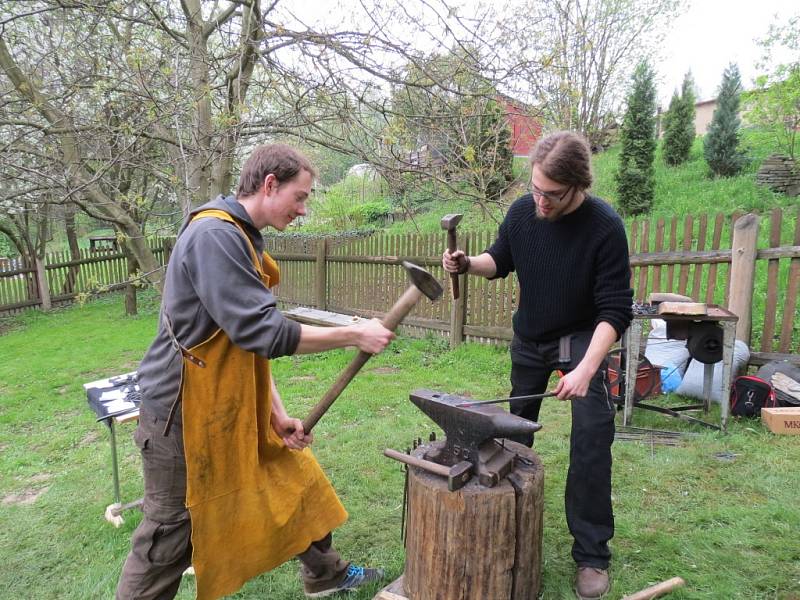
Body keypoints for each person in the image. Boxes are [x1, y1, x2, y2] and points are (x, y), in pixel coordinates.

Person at [116, 144, 394, 600]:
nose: (303, 210)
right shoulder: (215, 237)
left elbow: (240, 348)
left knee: (294, 477)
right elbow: (262, 331)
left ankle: (324, 573)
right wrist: (353, 334)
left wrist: (275, 413)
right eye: (300, 197)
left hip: (230, 403)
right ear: (269, 185)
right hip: (181, 418)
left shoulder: (242, 237)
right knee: (168, 537)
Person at [442, 131, 633, 600]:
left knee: (591, 437)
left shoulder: (604, 226)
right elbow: (500, 258)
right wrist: (468, 264)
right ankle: (506, 527)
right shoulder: (522, 212)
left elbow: (615, 310)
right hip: (530, 338)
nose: (541, 202)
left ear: (577, 186)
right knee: (511, 435)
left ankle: (591, 554)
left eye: (552, 194)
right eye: (535, 189)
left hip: (581, 340)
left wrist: (587, 369)